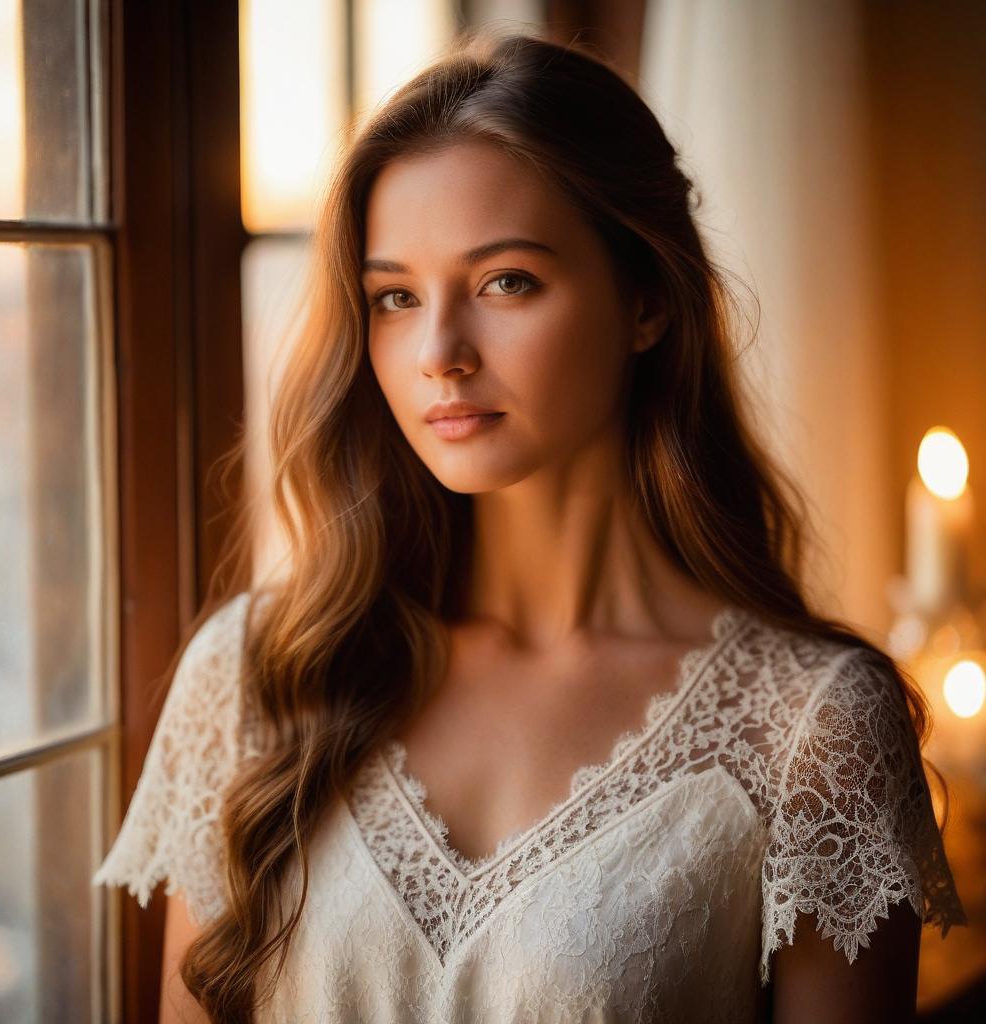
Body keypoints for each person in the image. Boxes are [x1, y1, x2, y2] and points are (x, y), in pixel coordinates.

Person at [93, 29, 967, 1023]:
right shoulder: (255, 677)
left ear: (644, 298)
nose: (438, 352)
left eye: (506, 281)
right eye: (393, 297)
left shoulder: (811, 727)